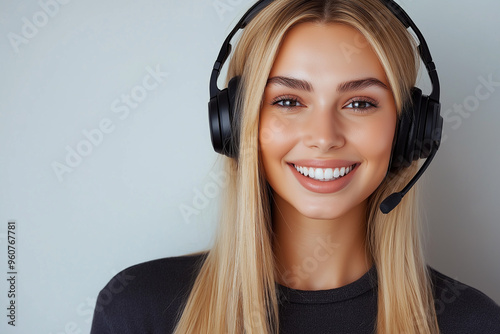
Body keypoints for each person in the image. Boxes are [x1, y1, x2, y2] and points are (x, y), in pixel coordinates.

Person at [90, 0, 500, 333]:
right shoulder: (137, 310)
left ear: (411, 130)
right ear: (235, 123)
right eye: (288, 101)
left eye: (360, 103)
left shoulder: (473, 322)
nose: (324, 136)